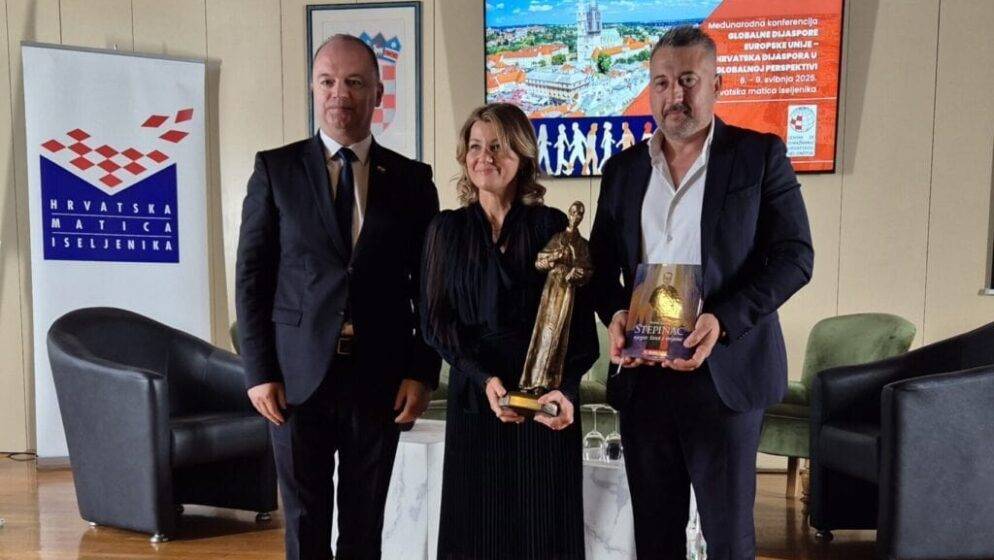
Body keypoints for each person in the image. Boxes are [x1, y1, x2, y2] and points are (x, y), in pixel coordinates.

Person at [589, 26, 814, 560]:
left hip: (724, 374)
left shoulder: (758, 156)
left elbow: (795, 257)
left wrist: (724, 319)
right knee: (654, 538)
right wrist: (616, 312)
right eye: (662, 83)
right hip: (644, 378)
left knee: (729, 540)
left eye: (689, 80)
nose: (675, 95)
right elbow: (598, 267)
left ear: (717, 84)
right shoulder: (622, 170)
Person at [235, 34, 440, 560]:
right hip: (294, 380)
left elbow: (430, 288)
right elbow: (252, 278)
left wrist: (421, 372)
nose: (339, 94)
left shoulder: (413, 181)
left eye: (354, 82)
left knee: (364, 527)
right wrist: (258, 371)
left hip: (381, 377)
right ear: (313, 88)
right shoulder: (275, 170)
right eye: (327, 81)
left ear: (378, 93)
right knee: (304, 526)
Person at [421, 103, 598, 560]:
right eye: (475, 146)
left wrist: (566, 392)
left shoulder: (553, 226)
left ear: (522, 155)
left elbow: (578, 328)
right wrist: (483, 379)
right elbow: (436, 322)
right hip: (476, 397)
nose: (485, 157)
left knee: (544, 533)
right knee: (477, 533)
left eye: (497, 146)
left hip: (543, 404)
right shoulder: (446, 229)